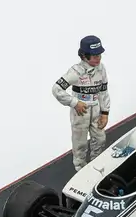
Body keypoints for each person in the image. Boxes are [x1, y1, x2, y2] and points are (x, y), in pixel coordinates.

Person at [52, 35, 110, 172]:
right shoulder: (75, 72)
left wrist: (105, 113)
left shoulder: (101, 69)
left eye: (99, 55)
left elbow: (103, 92)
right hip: (80, 113)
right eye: (94, 56)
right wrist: (74, 102)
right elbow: (56, 89)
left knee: (100, 139)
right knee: (80, 143)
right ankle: (80, 169)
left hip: (96, 110)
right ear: (84, 56)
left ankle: (97, 164)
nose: (98, 58)